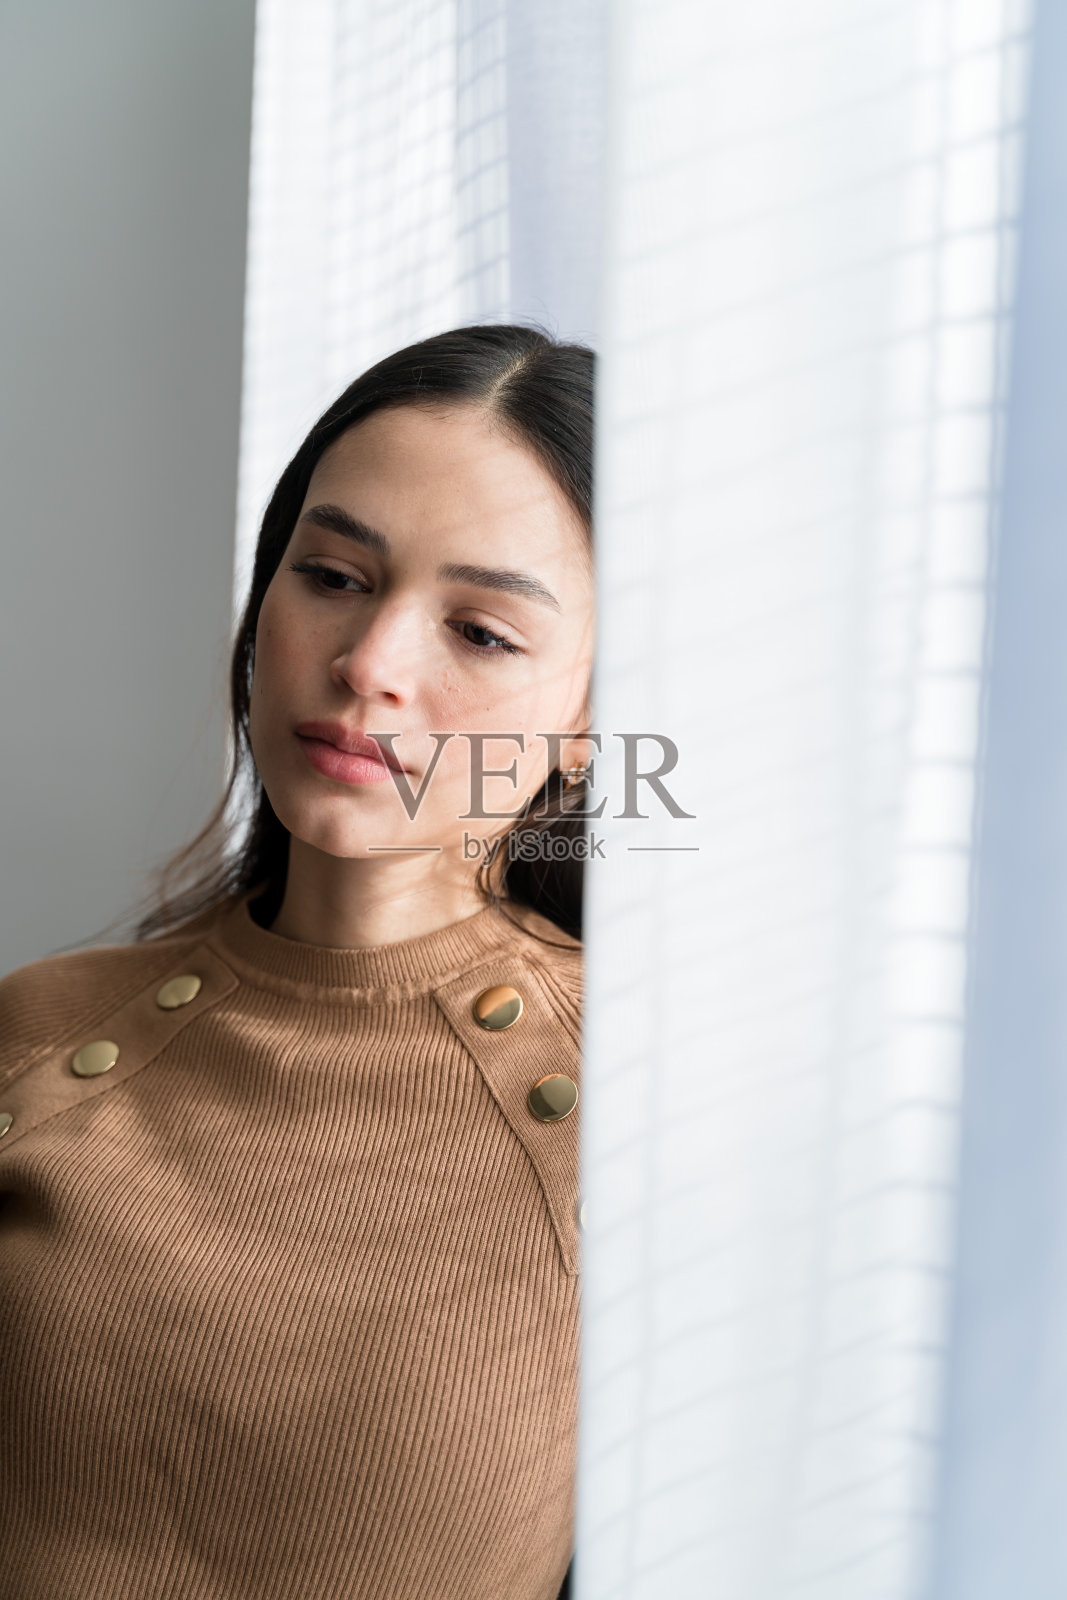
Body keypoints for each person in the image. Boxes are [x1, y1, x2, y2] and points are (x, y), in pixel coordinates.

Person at [0, 325, 594, 1600]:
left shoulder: (638, 1119)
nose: (369, 665)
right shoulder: (40, 1035)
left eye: (481, 631)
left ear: (592, 719)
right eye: (330, 575)